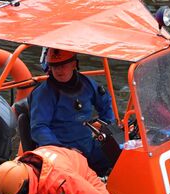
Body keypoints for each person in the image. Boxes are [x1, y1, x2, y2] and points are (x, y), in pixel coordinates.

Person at [29, 48, 116, 176]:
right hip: (61, 151)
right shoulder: (44, 94)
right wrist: (63, 150)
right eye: (55, 66)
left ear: (74, 64)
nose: (58, 70)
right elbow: (39, 128)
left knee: (120, 153)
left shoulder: (87, 84)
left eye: (62, 65)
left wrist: (108, 127)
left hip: (88, 146)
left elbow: (105, 102)